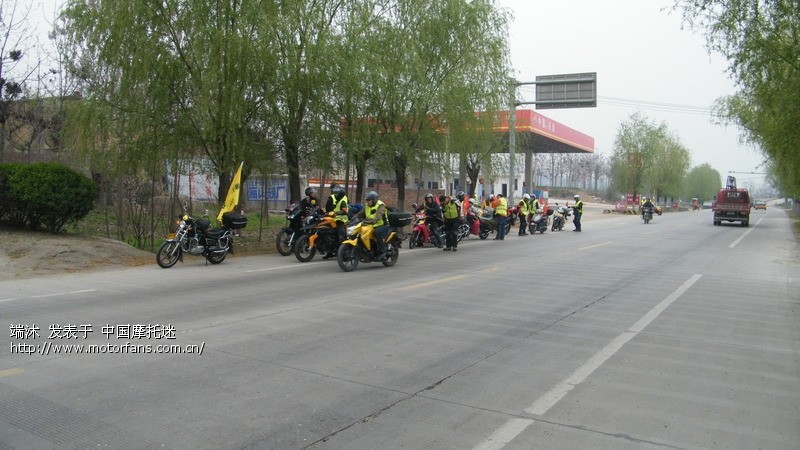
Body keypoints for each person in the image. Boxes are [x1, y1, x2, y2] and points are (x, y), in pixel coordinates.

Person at [351, 191, 390, 259]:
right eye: (366, 200)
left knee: (377, 232)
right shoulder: (367, 206)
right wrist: (351, 220)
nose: (367, 201)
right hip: (371, 225)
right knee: (361, 232)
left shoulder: (381, 205)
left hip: (382, 225)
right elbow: (360, 213)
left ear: (374, 200)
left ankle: (383, 251)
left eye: (369, 200)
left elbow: (378, 216)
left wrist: (373, 221)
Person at [323, 184, 349, 258]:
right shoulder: (338, 200)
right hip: (334, 219)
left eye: (337, 194)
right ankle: (330, 252)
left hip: (341, 220)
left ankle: (344, 253)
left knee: (341, 236)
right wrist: (328, 213)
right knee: (330, 235)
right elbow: (330, 208)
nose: (335, 195)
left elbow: (345, 211)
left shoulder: (343, 200)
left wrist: (336, 213)